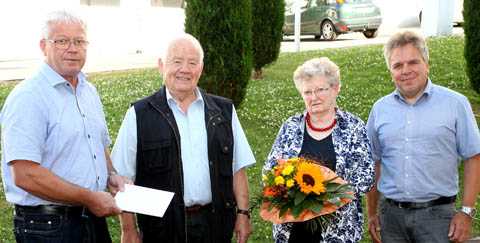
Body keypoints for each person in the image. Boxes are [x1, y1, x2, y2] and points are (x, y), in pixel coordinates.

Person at [110, 33, 256, 243]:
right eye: (177, 62)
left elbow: (237, 168)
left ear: (201, 68)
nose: (185, 69)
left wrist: (243, 214)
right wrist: (129, 229)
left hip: (215, 226)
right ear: (161, 65)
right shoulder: (139, 114)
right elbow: (122, 178)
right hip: (163, 230)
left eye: (192, 62)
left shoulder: (224, 111)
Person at [0, 10, 122, 243]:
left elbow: (96, 143)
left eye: (79, 41)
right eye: (62, 41)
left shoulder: (88, 91)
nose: (72, 48)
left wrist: (112, 175)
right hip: (48, 227)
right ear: (43, 46)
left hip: (91, 218)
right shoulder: (29, 96)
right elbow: (25, 175)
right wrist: (89, 197)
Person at [366, 30, 480, 243]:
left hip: (438, 218)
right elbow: (374, 163)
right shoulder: (380, 109)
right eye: (398, 65)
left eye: (413, 62)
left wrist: (466, 212)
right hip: (390, 218)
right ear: (390, 70)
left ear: (426, 63)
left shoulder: (455, 104)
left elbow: (474, 157)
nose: (406, 70)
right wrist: (372, 213)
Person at [263, 57, 375, 242]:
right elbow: (270, 170)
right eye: (307, 92)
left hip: (337, 231)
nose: (314, 97)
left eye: (320, 89)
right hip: (292, 230)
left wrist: (323, 197)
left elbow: (365, 177)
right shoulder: (290, 126)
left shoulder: (353, 127)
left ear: (335, 88)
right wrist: (289, 191)